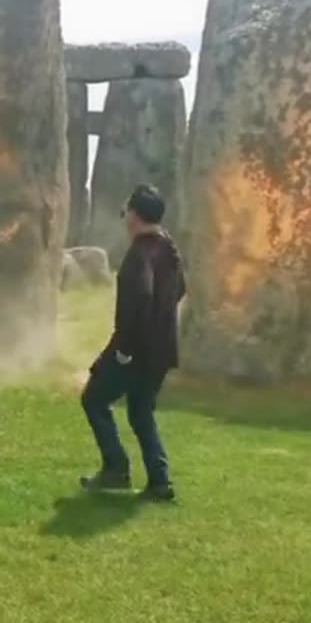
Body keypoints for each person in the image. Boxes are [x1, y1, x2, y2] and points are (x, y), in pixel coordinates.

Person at [80, 184, 186, 503]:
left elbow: (139, 298)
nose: (125, 217)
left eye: (127, 211)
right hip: (162, 349)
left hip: (135, 350)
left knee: (94, 399)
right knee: (141, 412)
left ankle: (116, 469)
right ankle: (159, 481)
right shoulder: (169, 249)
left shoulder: (139, 253)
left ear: (136, 215)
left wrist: (124, 351)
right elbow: (179, 290)